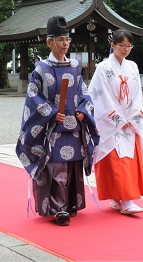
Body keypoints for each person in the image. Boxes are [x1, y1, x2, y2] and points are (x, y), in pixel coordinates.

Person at [15, 15, 99, 226]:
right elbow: (33, 97)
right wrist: (52, 112)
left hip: (74, 126)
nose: (64, 44)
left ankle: (72, 203)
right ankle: (57, 208)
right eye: (60, 40)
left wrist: (82, 110)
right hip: (52, 128)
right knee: (56, 167)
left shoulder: (75, 66)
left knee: (72, 166)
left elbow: (84, 93)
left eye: (67, 40)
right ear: (49, 42)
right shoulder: (41, 69)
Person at [88, 29, 143, 215]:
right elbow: (100, 96)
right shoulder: (103, 68)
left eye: (129, 46)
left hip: (130, 120)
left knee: (128, 159)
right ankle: (123, 200)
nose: (125, 49)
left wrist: (133, 116)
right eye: (122, 45)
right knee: (115, 160)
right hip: (112, 120)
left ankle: (121, 199)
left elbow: (136, 94)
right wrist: (117, 118)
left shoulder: (132, 66)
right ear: (112, 45)